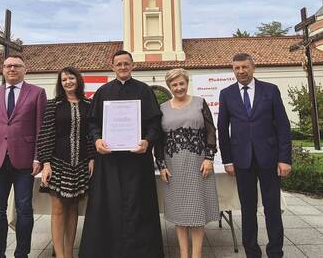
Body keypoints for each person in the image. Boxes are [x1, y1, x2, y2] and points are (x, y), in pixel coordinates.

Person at [78, 50, 164, 258]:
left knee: (139, 205)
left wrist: (148, 141)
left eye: (126, 64)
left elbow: (154, 123)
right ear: (113, 67)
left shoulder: (144, 91)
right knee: (109, 204)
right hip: (109, 161)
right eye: (119, 64)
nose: (123, 67)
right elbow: (92, 123)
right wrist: (97, 139)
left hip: (137, 160)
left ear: (132, 66)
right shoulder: (103, 92)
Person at [217, 53, 292, 258]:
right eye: (236, 68)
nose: (241, 71)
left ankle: (275, 252)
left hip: (269, 158)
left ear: (253, 67)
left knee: (272, 209)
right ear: (233, 70)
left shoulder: (270, 90)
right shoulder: (227, 94)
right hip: (242, 161)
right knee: (248, 210)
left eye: (244, 67)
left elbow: (283, 126)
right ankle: (252, 252)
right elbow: (222, 130)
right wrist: (228, 160)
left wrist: (285, 158)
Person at [0, 55, 47, 258]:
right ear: (3, 70)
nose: (12, 69)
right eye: (7, 66)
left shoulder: (37, 93)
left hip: (25, 163)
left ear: (25, 70)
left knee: (24, 210)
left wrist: (37, 157)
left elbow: (41, 129)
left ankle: (22, 253)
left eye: (16, 66)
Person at [155, 68, 220, 258]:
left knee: (197, 212)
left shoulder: (200, 103)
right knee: (179, 213)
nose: (179, 87)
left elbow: (210, 131)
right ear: (169, 87)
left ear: (187, 83)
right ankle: (184, 254)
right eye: (174, 85)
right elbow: (159, 139)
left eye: (181, 83)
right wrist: (161, 165)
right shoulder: (163, 108)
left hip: (198, 164)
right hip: (173, 166)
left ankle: (197, 255)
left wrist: (209, 158)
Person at [37, 66, 95, 258]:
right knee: (58, 209)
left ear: (78, 80)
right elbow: (45, 133)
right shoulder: (53, 105)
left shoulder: (88, 104)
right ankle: (60, 255)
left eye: (71, 78)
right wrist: (45, 162)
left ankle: (70, 253)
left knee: (73, 209)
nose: (68, 82)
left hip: (81, 164)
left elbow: (91, 134)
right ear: (60, 83)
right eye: (64, 80)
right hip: (58, 163)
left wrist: (92, 157)